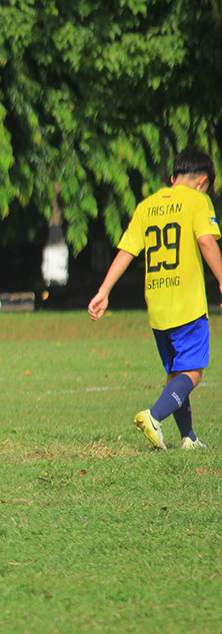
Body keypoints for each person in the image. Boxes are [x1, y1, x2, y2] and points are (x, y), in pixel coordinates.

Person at [88, 148, 222, 450]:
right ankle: (154, 416)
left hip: (158, 304)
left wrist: (104, 291)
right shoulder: (198, 201)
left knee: (176, 371)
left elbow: (127, 250)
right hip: (187, 303)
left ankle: (188, 437)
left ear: (173, 178)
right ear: (203, 181)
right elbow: (205, 240)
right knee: (193, 372)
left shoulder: (147, 206)